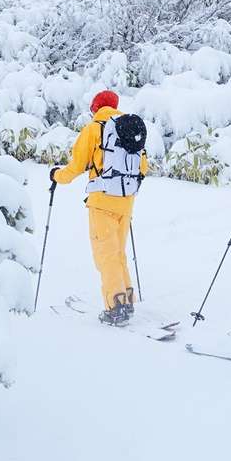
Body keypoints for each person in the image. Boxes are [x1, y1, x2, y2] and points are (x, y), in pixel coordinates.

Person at [52, 90, 149, 325]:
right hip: (126, 202)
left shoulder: (94, 129)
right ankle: (126, 300)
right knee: (118, 253)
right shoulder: (130, 129)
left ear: (96, 108)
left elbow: (76, 166)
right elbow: (143, 168)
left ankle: (115, 308)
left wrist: (57, 176)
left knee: (106, 255)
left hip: (102, 200)